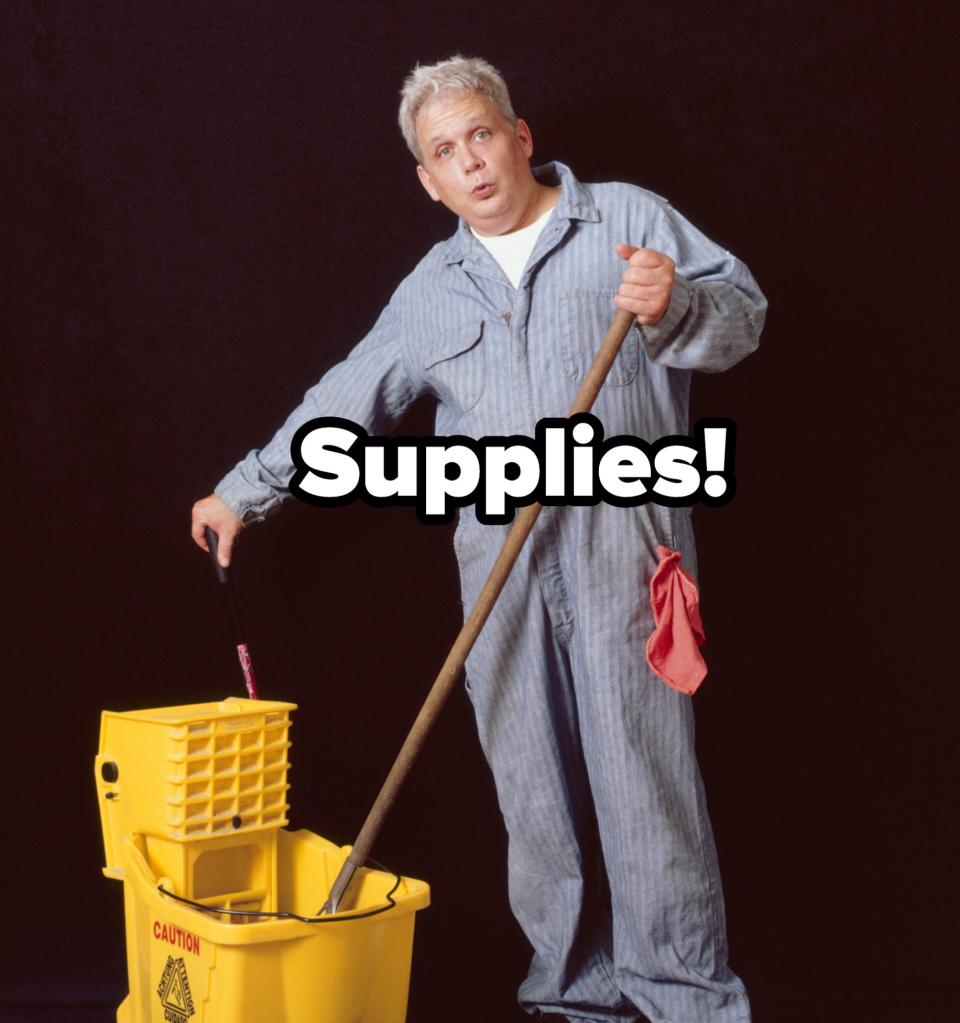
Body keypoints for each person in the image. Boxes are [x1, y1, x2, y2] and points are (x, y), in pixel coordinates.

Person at [191, 55, 765, 1023]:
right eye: (445, 152)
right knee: (536, 794)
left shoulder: (627, 220)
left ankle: (687, 1001)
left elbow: (743, 316)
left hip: (625, 552)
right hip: (498, 565)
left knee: (645, 786)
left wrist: (677, 303)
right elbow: (347, 396)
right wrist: (245, 491)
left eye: (482, 135)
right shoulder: (433, 289)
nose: (472, 162)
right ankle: (574, 999)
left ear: (520, 134)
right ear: (429, 179)